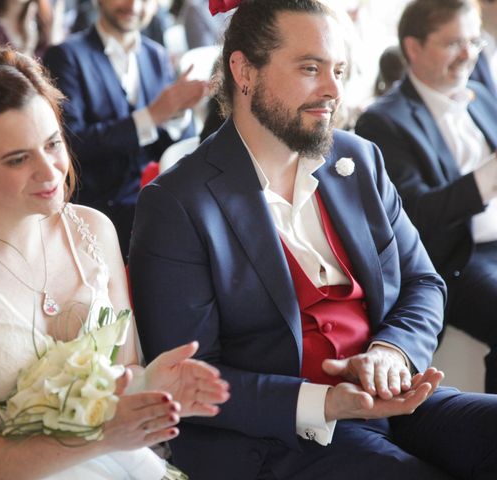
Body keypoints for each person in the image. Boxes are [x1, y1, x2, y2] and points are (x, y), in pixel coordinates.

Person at [129, 1, 497, 479]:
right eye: (310, 68)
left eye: (339, 70)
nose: (333, 90)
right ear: (243, 71)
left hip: (391, 400)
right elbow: (187, 380)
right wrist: (323, 401)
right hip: (278, 437)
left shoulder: (359, 159)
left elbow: (423, 282)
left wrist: (392, 352)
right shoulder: (177, 203)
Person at [0, 49, 229, 479]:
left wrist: (149, 385)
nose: (49, 173)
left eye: (53, 144)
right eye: (17, 159)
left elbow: (127, 368)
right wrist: (97, 437)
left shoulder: (93, 231)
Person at [355, 0, 497, 393]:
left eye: (473, 41)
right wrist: (490, 173)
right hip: (455, 259)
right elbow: (416, 213)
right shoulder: (383, 120)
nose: (468, 54)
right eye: (453, 43)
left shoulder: (482, 95)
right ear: (413, 48)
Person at [43, 0, 207, 257]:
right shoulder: (65, 56)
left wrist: (179, 114)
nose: (134, 5)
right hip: (92, 213)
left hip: (150, 208)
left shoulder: (156, 56)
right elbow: (71, 145)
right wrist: (151, 116)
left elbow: (172, 152)